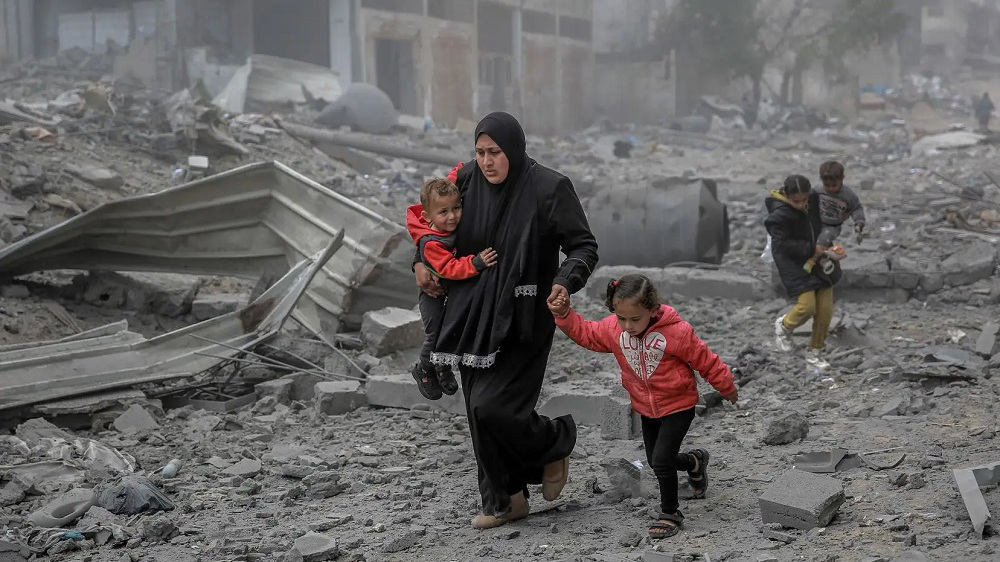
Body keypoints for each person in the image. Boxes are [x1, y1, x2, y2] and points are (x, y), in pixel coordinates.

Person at [414, 112, 599, 529]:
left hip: (524, 316)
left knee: (492, 406)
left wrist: (566, 282)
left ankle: (553, 442)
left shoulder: (549, 187)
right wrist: (419, 264)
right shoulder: (464, 182)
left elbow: (584, 246)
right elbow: (434, 228)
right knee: (478, 413)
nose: (486, 161)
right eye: (479, 152)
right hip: (468, 316)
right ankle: (506, 500)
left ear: (512, 149)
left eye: (494, 152)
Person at [547, 274, 738, 539]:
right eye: (621, 317)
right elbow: (587, 334)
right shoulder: (615, 330)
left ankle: (671, 512)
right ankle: (694, 462)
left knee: (660, 461)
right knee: (657, 460)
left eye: (635, 319)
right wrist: (564, 313)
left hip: (678, 405)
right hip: (646, 408)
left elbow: (705, 360)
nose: (627, 326)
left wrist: (726, 385)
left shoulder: (677, 332)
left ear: (652, 309)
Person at [406, 177, 498, 400]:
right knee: (436, 331)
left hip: (450, 289)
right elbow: (449, 268)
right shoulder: (431, 242)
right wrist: (476, 263)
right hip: (433, 293)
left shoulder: (448, 226)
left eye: (456, 208)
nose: (452, 216)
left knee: (452, 329)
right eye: (444, 212)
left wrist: (462, 170)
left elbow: (456, 175)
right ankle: (425, 369)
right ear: (427, 217)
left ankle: (443, 366)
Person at [765, 174, 843, 370]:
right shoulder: (779, 216)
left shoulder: (815, 201)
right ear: (786, 196)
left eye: (804, 200)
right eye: (795, 201)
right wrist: (810, 249)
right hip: (794, 264)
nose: (800, 205)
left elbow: (824, 224)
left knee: (825, 310)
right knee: (807, 307)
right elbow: (781, 245)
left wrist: (827, 246)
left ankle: (814, 353)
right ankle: (784, 326)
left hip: (819, 259)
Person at [803, 160, 865, 274]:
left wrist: (859, 222)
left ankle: (813, 262)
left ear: (842, 179)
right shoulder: (818, 190)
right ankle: (823, 256)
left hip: (832, 226)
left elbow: (856, 208)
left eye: (834, 185)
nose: (831, 189)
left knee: (821, 241)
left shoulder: (847, 195)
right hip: (817, 221)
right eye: (827, 185)